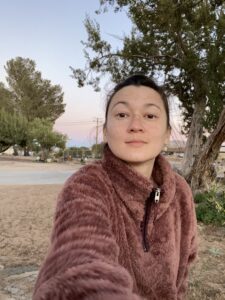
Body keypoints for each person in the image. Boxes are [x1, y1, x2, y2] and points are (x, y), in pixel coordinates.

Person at [33, 74, 198, 300]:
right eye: (122, 114)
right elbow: (77, 268)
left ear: (167, 134)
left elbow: (183, 272)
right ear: (105, 131)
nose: (135, 126)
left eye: (150, 115)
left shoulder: (180, 192)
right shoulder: (86, 186)